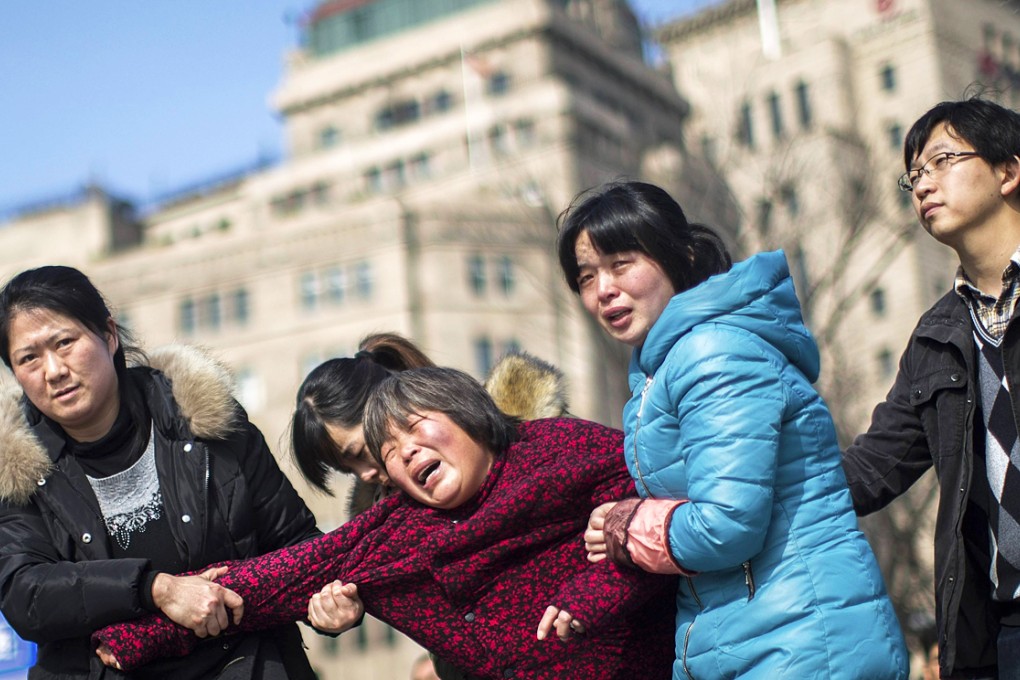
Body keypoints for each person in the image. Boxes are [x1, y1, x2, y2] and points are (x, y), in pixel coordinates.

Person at [92, 366, 677, 679]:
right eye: (376, 454)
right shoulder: (392, 533)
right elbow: (279, 580)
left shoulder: (563, 445)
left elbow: (664, 515)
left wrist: (592, 595)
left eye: (415, 428)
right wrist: (143, 630)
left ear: (467, 408)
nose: (389, 461)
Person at [555, 180, 909, 678]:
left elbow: (727, 525)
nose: (604, 290)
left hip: (801, 642)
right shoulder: (663, 369)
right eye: (586, 277)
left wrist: (626, 525)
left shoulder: (713, 353)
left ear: (676, 255)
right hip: (754, 636)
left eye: (621, 264)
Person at [0, 265, 320, 680]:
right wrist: (156, 589)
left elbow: (295, 543)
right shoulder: (16, 469)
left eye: (65, 342)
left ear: (109, 334)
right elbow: (26, 594)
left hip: (246, 665)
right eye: (29, 358)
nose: (54, 370)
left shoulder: (204, 420)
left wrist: (327, 601)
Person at [842, 96, 1020, 679]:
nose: (923, 184)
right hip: (1000, 630)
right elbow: (871, 470)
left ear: (1008, 172)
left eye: (943, 161)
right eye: (915, 174)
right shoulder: (937, 336)